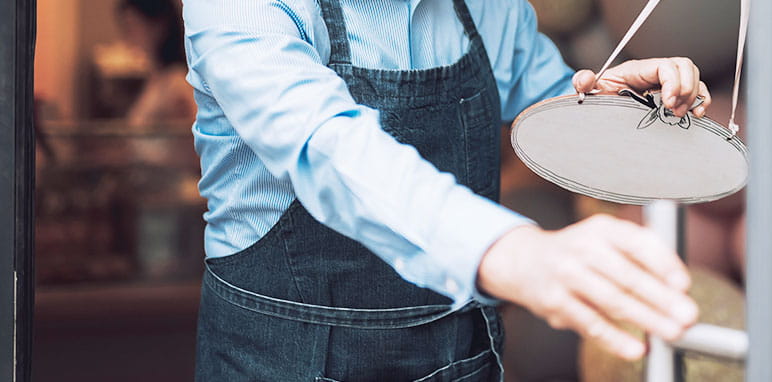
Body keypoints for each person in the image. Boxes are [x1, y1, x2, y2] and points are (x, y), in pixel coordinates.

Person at [183, 0, 713, 380]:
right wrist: (512, 251)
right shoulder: (238, 8)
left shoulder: (486, 9)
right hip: (285, 362)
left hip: (460, 360)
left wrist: (625, 105)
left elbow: (554, 106)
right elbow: (328, 149)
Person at [118, 0, 196, 127]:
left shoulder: (176, 85)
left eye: (132, 26)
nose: (129, 37)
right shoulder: (157, 78)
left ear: (158, 26)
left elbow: (191, 141)